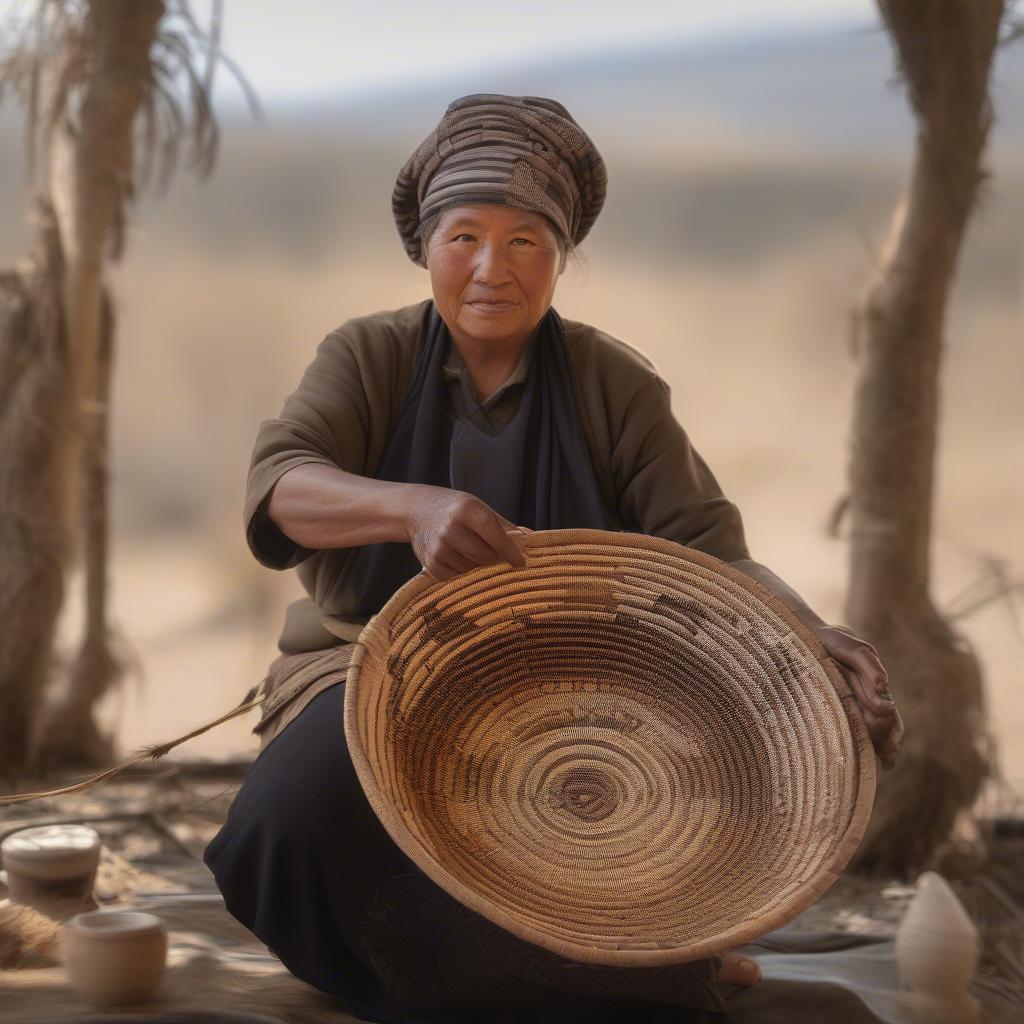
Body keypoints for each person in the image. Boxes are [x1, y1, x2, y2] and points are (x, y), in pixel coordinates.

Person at [203, 93, 904, 1024]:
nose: (493, 269)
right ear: (426, 248)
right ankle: (617, 983)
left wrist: (816, 639)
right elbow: (280, 482)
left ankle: (580, 976)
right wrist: (411, 507)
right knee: (281, 832)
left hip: (579, 698)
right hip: (364, 665)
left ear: (562, 256)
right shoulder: (367, 355)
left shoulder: (618, 385)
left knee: (627, 823)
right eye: (465, 238)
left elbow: (709, 553)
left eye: (526, 241)